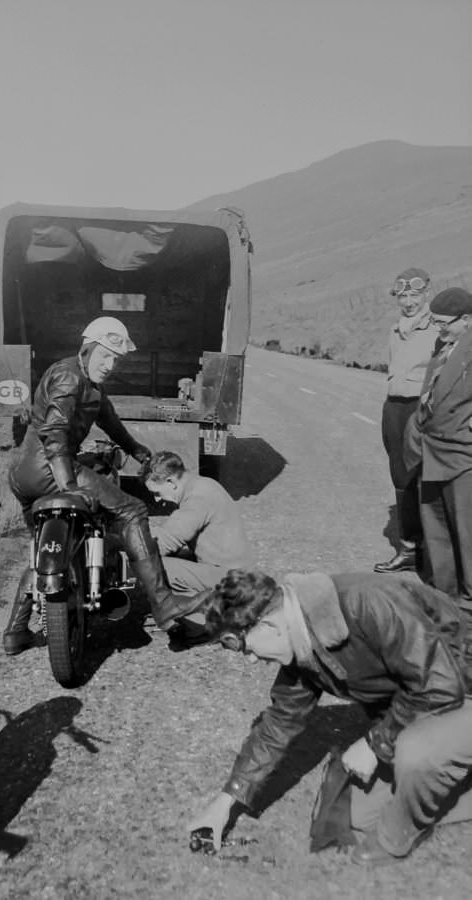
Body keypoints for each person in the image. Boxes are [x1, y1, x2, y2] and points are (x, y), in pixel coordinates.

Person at [189, 568, 472, 866]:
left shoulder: (370, 602)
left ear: (270, 625)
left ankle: (399, 837)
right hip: (429, 697)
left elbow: (440, 686)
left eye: (242, 646)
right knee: (359, 812)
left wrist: (375, 743)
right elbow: (278, 723)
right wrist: (226, 801)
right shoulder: (298, 632)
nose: (250, 659)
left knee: (416, 756)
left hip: (459, 688)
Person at [3, 316, 200, 654]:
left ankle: (15, 632)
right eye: (104, 356)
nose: (109, 365)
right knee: (133, 510)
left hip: (24, 477)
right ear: (88, 349)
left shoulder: (88, 382)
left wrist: (139, 452)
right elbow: (54, 433)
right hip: (51, 468)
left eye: (115, 359)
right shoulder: (69, 377)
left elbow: (110, 422)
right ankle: (165, 604)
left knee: (43, 552)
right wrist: (67, 484)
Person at [405, 287, 472, 620]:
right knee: (438, 531)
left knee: (467, 534)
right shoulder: (444, 345)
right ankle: (443, 600)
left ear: (467, 320)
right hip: (432, 452)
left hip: (463, 456)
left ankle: (469, 606)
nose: (439, 329)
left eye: (444, 323)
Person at [142, 450, 253, 630]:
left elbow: (164, 542)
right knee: (174, 558)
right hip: (236, 574)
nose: (156, 499)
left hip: (233, 582)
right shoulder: (203, 484)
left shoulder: (197, 500)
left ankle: (203, 615)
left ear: (171, 482)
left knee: (153, 565)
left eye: (156, 492)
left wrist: (126, 547)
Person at [374, 268, 437, 574]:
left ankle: (432, 551)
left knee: (425, 477)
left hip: (420, 408)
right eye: (403, 296)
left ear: (427, 294)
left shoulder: (438, 328)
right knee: (400, 477)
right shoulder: (395, 329)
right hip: (394, 408)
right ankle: (409, 548)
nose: (409, 302)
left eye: (415, 295)